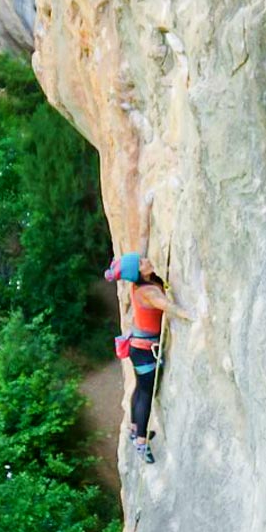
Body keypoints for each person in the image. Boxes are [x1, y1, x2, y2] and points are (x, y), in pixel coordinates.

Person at [104, 195, 192, 464]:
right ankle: (141, 440)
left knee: (139, 390)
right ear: (140, 273)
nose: (146, 261)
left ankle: (133, 429)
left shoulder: (139, 275)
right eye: (142, 263)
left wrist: (148, 205)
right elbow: (169, 307)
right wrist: (195, 317)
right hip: (143, 351)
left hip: (137, 346)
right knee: (146, 391)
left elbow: (143, 234)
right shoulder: (147, 292)